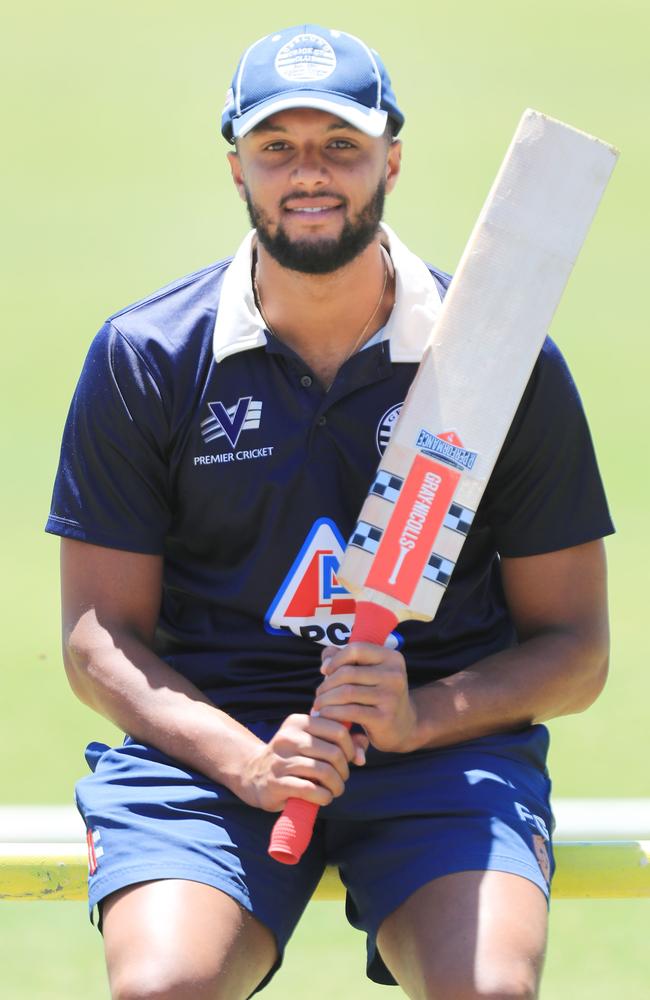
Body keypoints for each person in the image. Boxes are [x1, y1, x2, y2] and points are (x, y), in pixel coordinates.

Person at [47, 24, 613, 1000]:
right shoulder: (146, 356)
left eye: (340, 146)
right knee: (163, 986)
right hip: (208, 745)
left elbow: (575, 648)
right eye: (277, 148)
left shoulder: (500, 359)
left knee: (485, 989)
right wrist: (244, 757)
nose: (309, 174)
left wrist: (415, 717)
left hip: (441, 752)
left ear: (390, 158)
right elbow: (98, 637)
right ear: (236, 168)